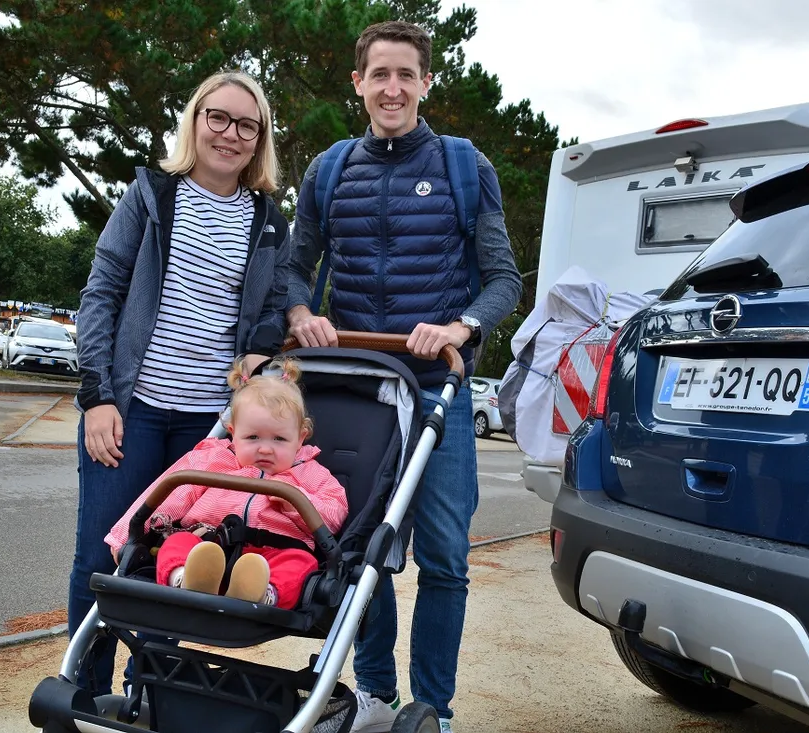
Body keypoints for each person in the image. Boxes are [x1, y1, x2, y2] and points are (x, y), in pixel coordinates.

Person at [284, 20, 522, 733]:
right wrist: (300, 311)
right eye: (379, 74)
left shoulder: (462, 165)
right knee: (362, 552)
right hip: (360, 391)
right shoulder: (329, 170)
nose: (393, 88)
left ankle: (433, 710)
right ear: (358, 83)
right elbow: (295, 266)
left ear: (426, 83)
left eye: (406, 75)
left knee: (445, 556)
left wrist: (459, 327)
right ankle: (375, 694)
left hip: (436, 388)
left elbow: (503, 279)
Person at [71, 70, 291, 696]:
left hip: (208, 428)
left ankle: (148, 697)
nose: (230, 134)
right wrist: (98, 397)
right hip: (130, 412)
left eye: (246, 125)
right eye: (217, 117)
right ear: (195, 121)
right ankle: (83, 693)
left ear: (259, 141)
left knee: (173, 563)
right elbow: (101, 294)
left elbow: (275, 305)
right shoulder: (150, 195)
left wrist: (259, 346)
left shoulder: (268, 222)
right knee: (102, 557)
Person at [105, 358, 348, 610]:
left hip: (275, 553)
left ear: (300, 438)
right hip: (209, 545)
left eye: (279, 439)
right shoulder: (214, 460)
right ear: (232, 432)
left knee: (300, 563)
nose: (265, 449)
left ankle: (264, 593)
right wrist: (126, 536)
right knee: (177, 543)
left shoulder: (310, 473)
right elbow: (168, 496)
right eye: (252, 437)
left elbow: (334, 514)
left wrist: (296, 502)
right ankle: (185, 578)